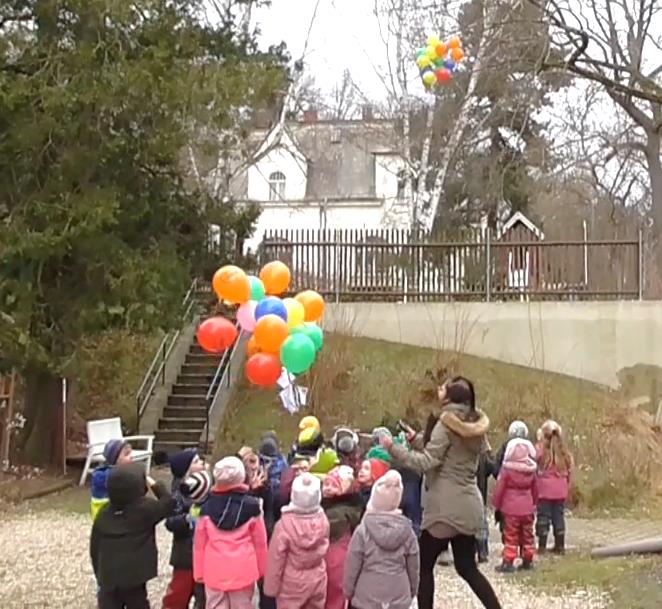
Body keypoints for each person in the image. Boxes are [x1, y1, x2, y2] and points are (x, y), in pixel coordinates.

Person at [381, 376, 502, 609]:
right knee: (467, 567)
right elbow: (451, 453)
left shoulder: (446, 422)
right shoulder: (473, 424)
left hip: (444, 508)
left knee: (424, 564)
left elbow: (427, 462)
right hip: (468, 504)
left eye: (443, 387)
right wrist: (416, 439)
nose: (439, 389)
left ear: (450, 396)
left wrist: (393, 448)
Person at [90, 463, 175, 609]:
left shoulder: (104, 514)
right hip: (134, 576)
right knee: (137, 602)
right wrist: (154, 484)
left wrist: (99, 573)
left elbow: (94, 546)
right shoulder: (145, 509)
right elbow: (168, 502)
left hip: (108, 575)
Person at [193, 456, 268, 609]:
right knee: (243, 604)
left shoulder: (206, 508)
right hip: (243, 569)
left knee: (215, 604)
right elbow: (260, 542)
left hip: (214, 569)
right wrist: (262, 569)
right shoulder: (252, 507)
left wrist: (199, 572)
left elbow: (199, 544)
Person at [344, 471, 420, 609]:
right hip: (399, 598)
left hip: (366, 598)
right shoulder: (408, 533)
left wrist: (348, 592)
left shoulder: (363, 530)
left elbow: (352, 565)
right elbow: (413, 567)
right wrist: (412, 591)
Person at [264, 473, 330, 609]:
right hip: (317, 579)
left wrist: (270, 589)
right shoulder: (323, 520)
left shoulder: (283, 526)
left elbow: (276, 560)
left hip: (291, 584)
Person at [163, 449, 208, 609]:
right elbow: (170, 522)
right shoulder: (177, 495)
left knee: (203, 595)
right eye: (196, 462)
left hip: (204, 553)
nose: (202, 463)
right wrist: (188, 519)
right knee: (178, 594)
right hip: (185, 554)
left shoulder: (206, 487)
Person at [491, 438, 538, 572]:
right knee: (528, 535)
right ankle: (528, 559)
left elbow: (500, 488)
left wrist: (497, 504)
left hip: (510, 508)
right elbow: (536, 489)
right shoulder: (531, 470)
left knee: (511, 535)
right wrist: (534, 503)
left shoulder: (507, 470)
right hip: (527, 507)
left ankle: (508, 561)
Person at [321, 466, 364, 609]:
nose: (327, 488)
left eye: (333, 485)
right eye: (326, 483)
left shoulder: (336, 514)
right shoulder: (353, 507)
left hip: (333, 563)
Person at [535, 420, 572, 554]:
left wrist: (539, 441)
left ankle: (542, 546)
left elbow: (534, 458)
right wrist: (567, 486)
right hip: (560, 490)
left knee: (543, 516)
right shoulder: (564, 453)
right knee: (558, 516)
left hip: (544, 491)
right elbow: (569, 472)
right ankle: (560, 545)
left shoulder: (541, 452)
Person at [90, 439, 133, 521]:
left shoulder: (123, 472)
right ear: (115, 459)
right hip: (102, 515)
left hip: (114, 513)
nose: (131, 456)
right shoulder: (103, 475)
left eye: (131, 453)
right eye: (126, 454)